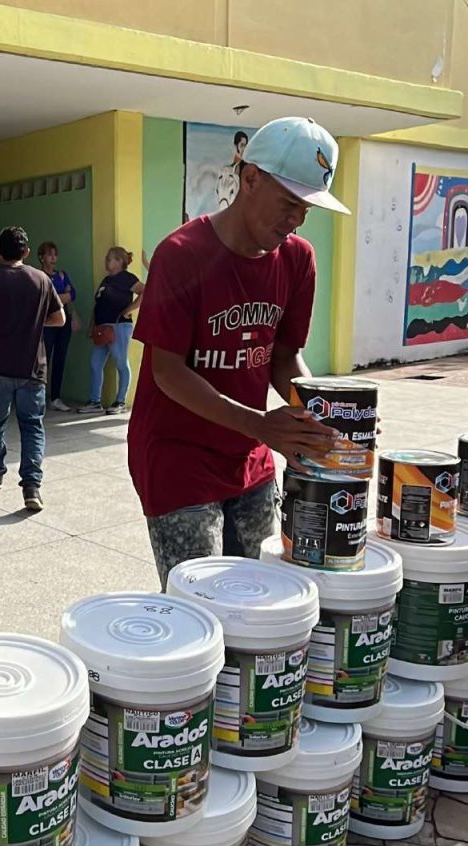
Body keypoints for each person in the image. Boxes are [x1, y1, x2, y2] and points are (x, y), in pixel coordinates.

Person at [127, 116, 348, 588]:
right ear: (249, 178)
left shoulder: (298, 259)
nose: (296, 220)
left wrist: (328, 417)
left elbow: (285, 357)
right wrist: (260, 424)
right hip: (176, 456)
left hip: (249, 454)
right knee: (202, 600)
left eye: (307, 208)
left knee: (261, 592)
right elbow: (167, 371)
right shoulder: (181, 254)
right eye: (289, 203)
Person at [0, 226, 64, 511]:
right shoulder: (42, 279)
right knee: (32, 426)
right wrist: (32, 324)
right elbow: (59, 320)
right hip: (32, 368)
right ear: (27, 252)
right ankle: (32, 487)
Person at [77, 247, 144, 416]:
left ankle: (120, 401)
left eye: (110, 259)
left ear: (120, 261)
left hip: (119, 325)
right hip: (102, 328)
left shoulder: (127, 278)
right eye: (107, 258)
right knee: (95, 363)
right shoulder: (106, 280)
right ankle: (95, 401)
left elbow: (146, 291)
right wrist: (92, 325)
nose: (107, 262)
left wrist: (129, 310)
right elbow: (98, 305)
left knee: (120, 361)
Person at [37, 241, 76, 412]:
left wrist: (60, 298)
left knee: (60, 358)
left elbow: (72, 294)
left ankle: (56, 397)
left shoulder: (61, 275)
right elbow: (44, 299)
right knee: (44, 360)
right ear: (41, 257)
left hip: (64, 322)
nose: (53, 258)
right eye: (49, 254)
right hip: (47, 323)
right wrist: (63, 296)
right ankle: (39, 398)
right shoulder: (39, 276)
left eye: (55, 254)